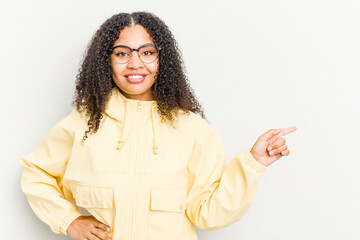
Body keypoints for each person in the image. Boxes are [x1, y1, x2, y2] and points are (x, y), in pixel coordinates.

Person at [20, 11, 297, 240]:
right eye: (122, 54)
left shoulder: (192, 129)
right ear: (107, 61)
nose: (135, 64)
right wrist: (69, 221)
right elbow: (37, 173)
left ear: (162, 60)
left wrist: (254, 162)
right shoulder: (85, 122)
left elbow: (209, 213)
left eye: (147, 52)